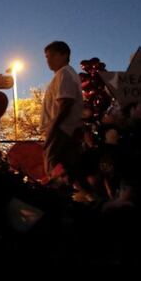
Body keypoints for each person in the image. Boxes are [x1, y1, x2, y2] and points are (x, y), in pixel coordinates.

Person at [41, 40, 84, 181]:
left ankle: (57, 196)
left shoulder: (64, 74)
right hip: (64, 129)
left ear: (64, 55)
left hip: (60, 129)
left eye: (52, 55)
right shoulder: (66, 74)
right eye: (47, 57)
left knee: (54, 167)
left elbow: (65, 103)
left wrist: (53, 127)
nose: (48, 60)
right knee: (68, 169)